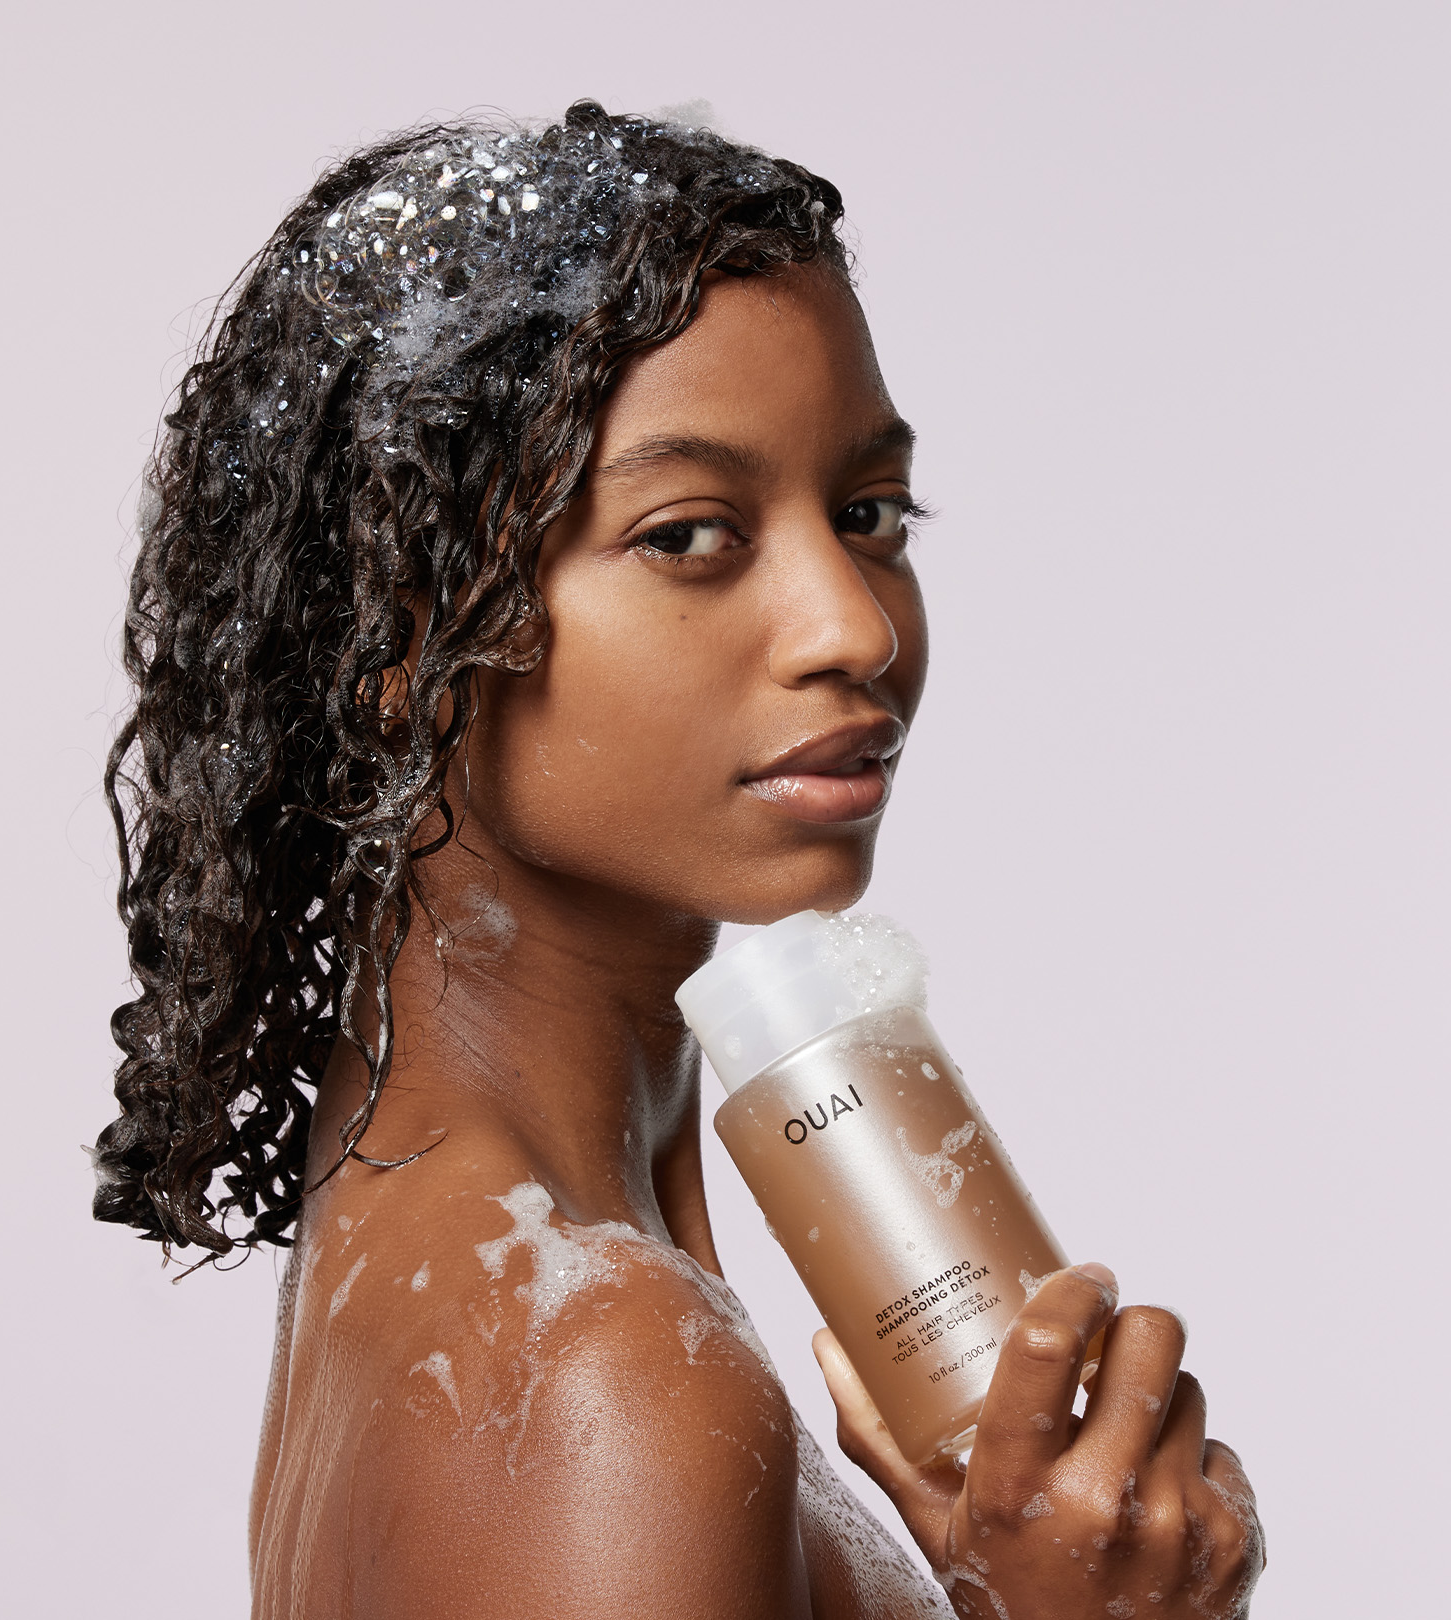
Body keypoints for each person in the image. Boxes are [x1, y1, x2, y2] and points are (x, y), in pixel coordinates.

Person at [92, 100, 1265, 1619]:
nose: (857, 628)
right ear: (395, 642)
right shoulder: (606, 1376)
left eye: (869, 514)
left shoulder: (462, 1249)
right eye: (691, 535)